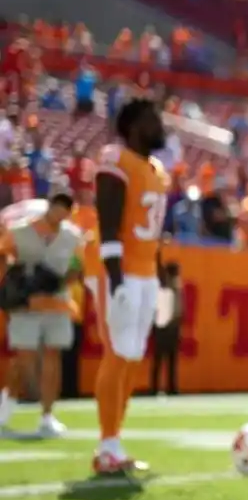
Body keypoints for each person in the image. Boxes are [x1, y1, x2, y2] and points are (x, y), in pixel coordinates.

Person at [89, 98, 169, 476]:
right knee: (118, 352)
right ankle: (106, 445)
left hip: (145, 271)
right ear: (135, 125)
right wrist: (115, 275)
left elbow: (152, 231)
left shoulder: (156, 169)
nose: (160, 126)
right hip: (119, 270)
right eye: (154, 119)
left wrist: (161, 275)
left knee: (133, 355)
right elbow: (107, 220)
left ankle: (115, 442)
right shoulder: (116, 159)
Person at [0, 192, 83, 437]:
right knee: (24, 357)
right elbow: (3, 255)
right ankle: (11, 403)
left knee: (52, 357)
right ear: (49, 206)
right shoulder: (19, 230)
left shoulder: (72, 236)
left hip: (56, 302)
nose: (60, 213)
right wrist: (12, 284)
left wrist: (60, 281)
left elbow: (77, 266)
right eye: (57, 207)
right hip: (25, 303)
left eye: (65, 209)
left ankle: (47, 416)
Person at [150, 260, 183, 395]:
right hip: (164, 327)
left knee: (170, 359)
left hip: (172, 326)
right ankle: (156, 387)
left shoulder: (176, 287)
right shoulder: (164, 286)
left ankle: (171, 387)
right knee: (160, 359)